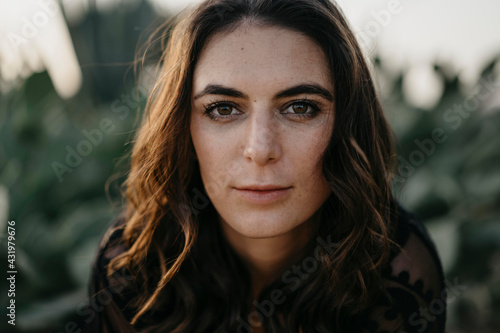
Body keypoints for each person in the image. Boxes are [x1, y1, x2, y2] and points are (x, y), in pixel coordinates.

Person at [84, 0, 446, 332]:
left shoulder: (397, 271)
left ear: (348, 125)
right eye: (223, 108)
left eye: (300, 107)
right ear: (182, 127)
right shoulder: (133, 269)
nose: (260, 149)